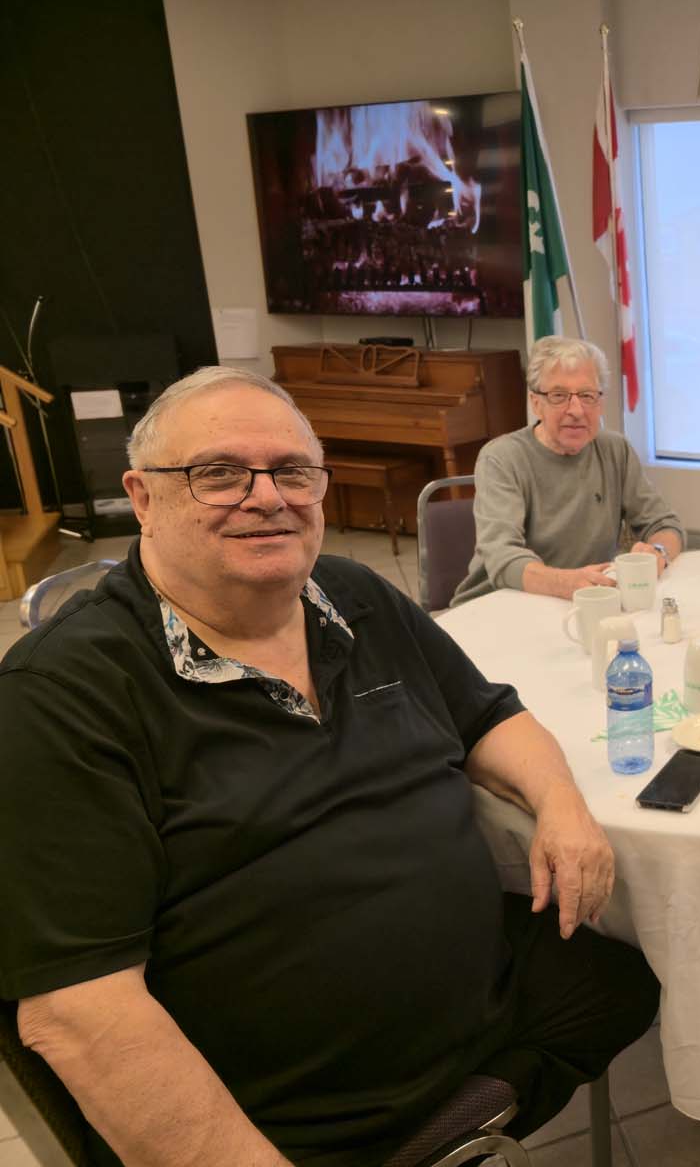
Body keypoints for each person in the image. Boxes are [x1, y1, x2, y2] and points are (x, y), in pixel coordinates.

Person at [0, 367, 661, 1166]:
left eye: (292, 471)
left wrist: (561, 803)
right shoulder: (61, 695)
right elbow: (78, 1011)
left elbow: (489, 715)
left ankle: (461, 1127)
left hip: (478, 997)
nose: (266, 497)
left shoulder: (351, 594)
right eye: (220, 474)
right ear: (143, 498)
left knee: (631, 980)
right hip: (291, 1113)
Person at [452, 336, 683, 605]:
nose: (576, 410)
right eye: (559, 396)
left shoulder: (615, 450)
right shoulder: (502, 458)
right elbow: (502, 556)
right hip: (498, 604)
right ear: (535, 403)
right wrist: (566, 583)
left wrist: (658, 552)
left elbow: (664, 523)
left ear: (600, 402)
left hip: (583, 601)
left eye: (587, 396)